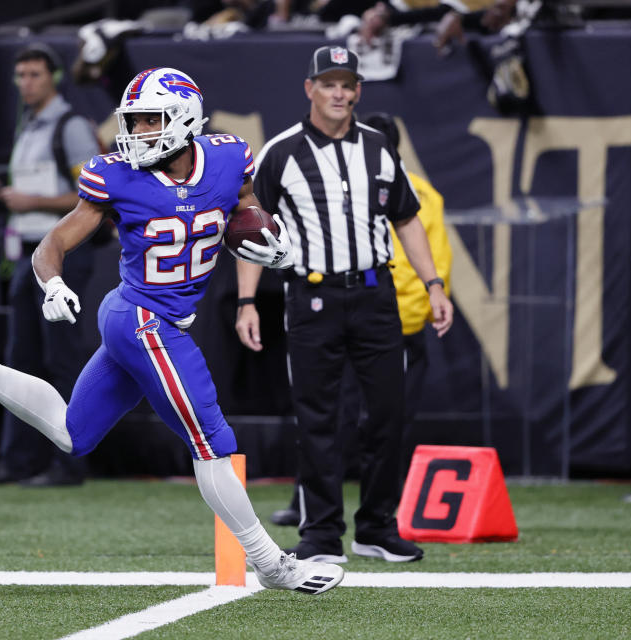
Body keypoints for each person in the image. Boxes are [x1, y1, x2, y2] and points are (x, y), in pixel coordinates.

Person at [0, 66, 344, 595]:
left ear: (185, 119)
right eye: (134, 121)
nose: (138, 132)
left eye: (150, 120)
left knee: (72, 435)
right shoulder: (117, 175)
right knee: (213, 440)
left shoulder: (227, 156)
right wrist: (52, 284)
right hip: (143, 319)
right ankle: (272, 565)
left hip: (147, 320)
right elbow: (52, 243)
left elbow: (244, 207)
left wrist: (271, 236)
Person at [235, 46, 453, 564]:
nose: (340, 93)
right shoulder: (282, 151)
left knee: (387, 414)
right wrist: (247, 300)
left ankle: (377, 526)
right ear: (309, 88)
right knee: (320, 417)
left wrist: (435, 284)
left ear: (358, 91)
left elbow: (405, 218)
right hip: (312, 294)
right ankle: (321, 534)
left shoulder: (379, 147)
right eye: (329, 83)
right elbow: (251, 227)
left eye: (348, 84)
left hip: (377, 293)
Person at [269, 111, 453, 529]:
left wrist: (404, 309)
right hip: (369, 313)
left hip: (386, 317)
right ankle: (317, 511)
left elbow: (417, 259)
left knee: (371, 418)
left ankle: (377, 513)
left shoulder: (411, 191)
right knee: (336, 415)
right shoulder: (337, 181)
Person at [0, 43, 102, 488]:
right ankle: (17, 460)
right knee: (21, 360)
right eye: (20, 75)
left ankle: (70, 463)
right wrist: (6, 197)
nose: (26, 83)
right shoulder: (30, 127)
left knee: (60, 358)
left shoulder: (72, 126)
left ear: (54, 78)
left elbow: (94, 199)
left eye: (35, 74)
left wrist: (31, 201)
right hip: (27, 252)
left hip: (64, 256)